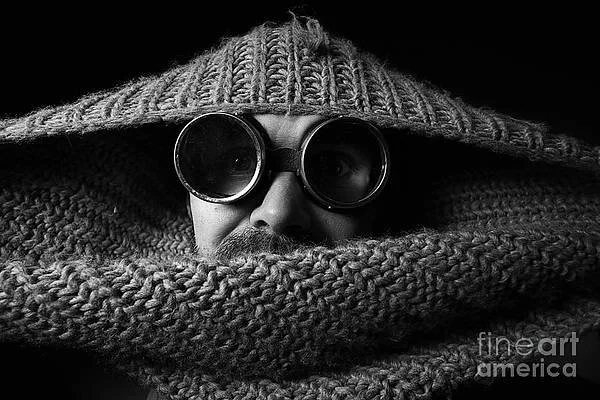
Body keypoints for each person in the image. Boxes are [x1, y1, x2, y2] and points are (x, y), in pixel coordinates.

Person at [1, 16, 600, 400]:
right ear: (184, 185)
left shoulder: (526, 372)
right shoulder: (55, 377)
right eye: (237, 162)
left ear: (385, 194)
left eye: (332, 168)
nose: (278, 213)